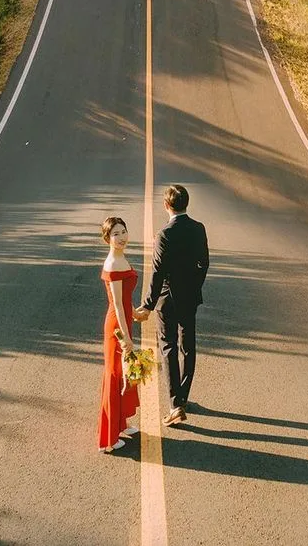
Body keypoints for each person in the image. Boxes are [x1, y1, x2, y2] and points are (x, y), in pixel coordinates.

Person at [134, 185, 209, 427]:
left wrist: (147, 304)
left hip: (168, 300)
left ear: (166, 206)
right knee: (188, 346)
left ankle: (175, 404)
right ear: (187, 204)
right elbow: (204, 263)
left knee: (168, 348)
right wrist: (195, 286)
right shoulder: (199, 229)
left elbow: (157, 273)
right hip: (190, 297)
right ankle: (184, 397)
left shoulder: (164, 235)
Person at [98, 215, 140, 452]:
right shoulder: (113, 264)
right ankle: (108, 438)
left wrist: (135, 313)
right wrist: (125, 340)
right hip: (117, 328)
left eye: (123, 231)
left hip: (124, 321)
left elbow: (124, 299)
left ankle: (121, 423)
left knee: (123, 375)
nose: (121, 237)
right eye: (115, 234)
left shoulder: (121, 258)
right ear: (107, 239)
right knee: (115, 377)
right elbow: (115, 303)